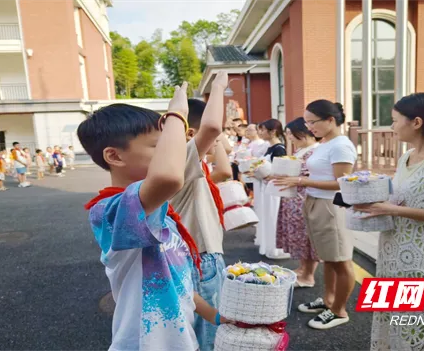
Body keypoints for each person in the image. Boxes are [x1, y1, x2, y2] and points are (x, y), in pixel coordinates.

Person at [78, 82, 229, 351]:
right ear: (115, 156)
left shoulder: (162, 214)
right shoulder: (109, 211)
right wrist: (176, 114)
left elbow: (178, 282)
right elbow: (169, 177)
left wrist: (217, 317)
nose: (174, 154)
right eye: (157, 147)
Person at [354, 93, 424, 350]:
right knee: (402, 325)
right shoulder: (407, 157)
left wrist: (391, 209)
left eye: (394, 120)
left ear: (416, 122)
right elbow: (406, 199)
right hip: (397, 253)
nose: (391, 127)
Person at [275, 100, 357, 330]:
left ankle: (339, 310)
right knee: (328, 257)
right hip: (315, 201)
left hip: (330, 205)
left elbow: (341, 183)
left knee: (340, 259)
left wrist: (301, 180)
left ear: (330, 120)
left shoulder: (341, 146)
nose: (309, 126)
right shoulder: (326, 143)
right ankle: (329, 300)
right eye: (307, 122)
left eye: (313, 122)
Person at [170, 76, 229, 351]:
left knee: (207, 330)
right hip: (200, 258)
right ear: (192, 134)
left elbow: (225, 172)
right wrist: (218, 87)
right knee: (208, 336)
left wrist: (215, 142)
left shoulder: (193, 166)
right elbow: (213, 127)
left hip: (204, 256)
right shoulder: (178, 160)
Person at [274, 117, 319, 287]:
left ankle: (308, 275)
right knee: (299, 236)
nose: (290, 138)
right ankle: (302, 269)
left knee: (306, 237)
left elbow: (309, 175)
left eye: (291, 134)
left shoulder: (314, 151)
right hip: (294, 198)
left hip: (303, 199)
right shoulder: (302, 150)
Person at [254, 119, 289, 259]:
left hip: (274, 189)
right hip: (266, 187)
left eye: (262, 130)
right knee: (266, 215)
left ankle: (276, 247)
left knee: (272, 216)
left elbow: (281, 171)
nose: (260, 133)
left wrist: (267, 175)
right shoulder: (269, 148)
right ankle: (268, 244)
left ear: (273, 131)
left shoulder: (279, 149)